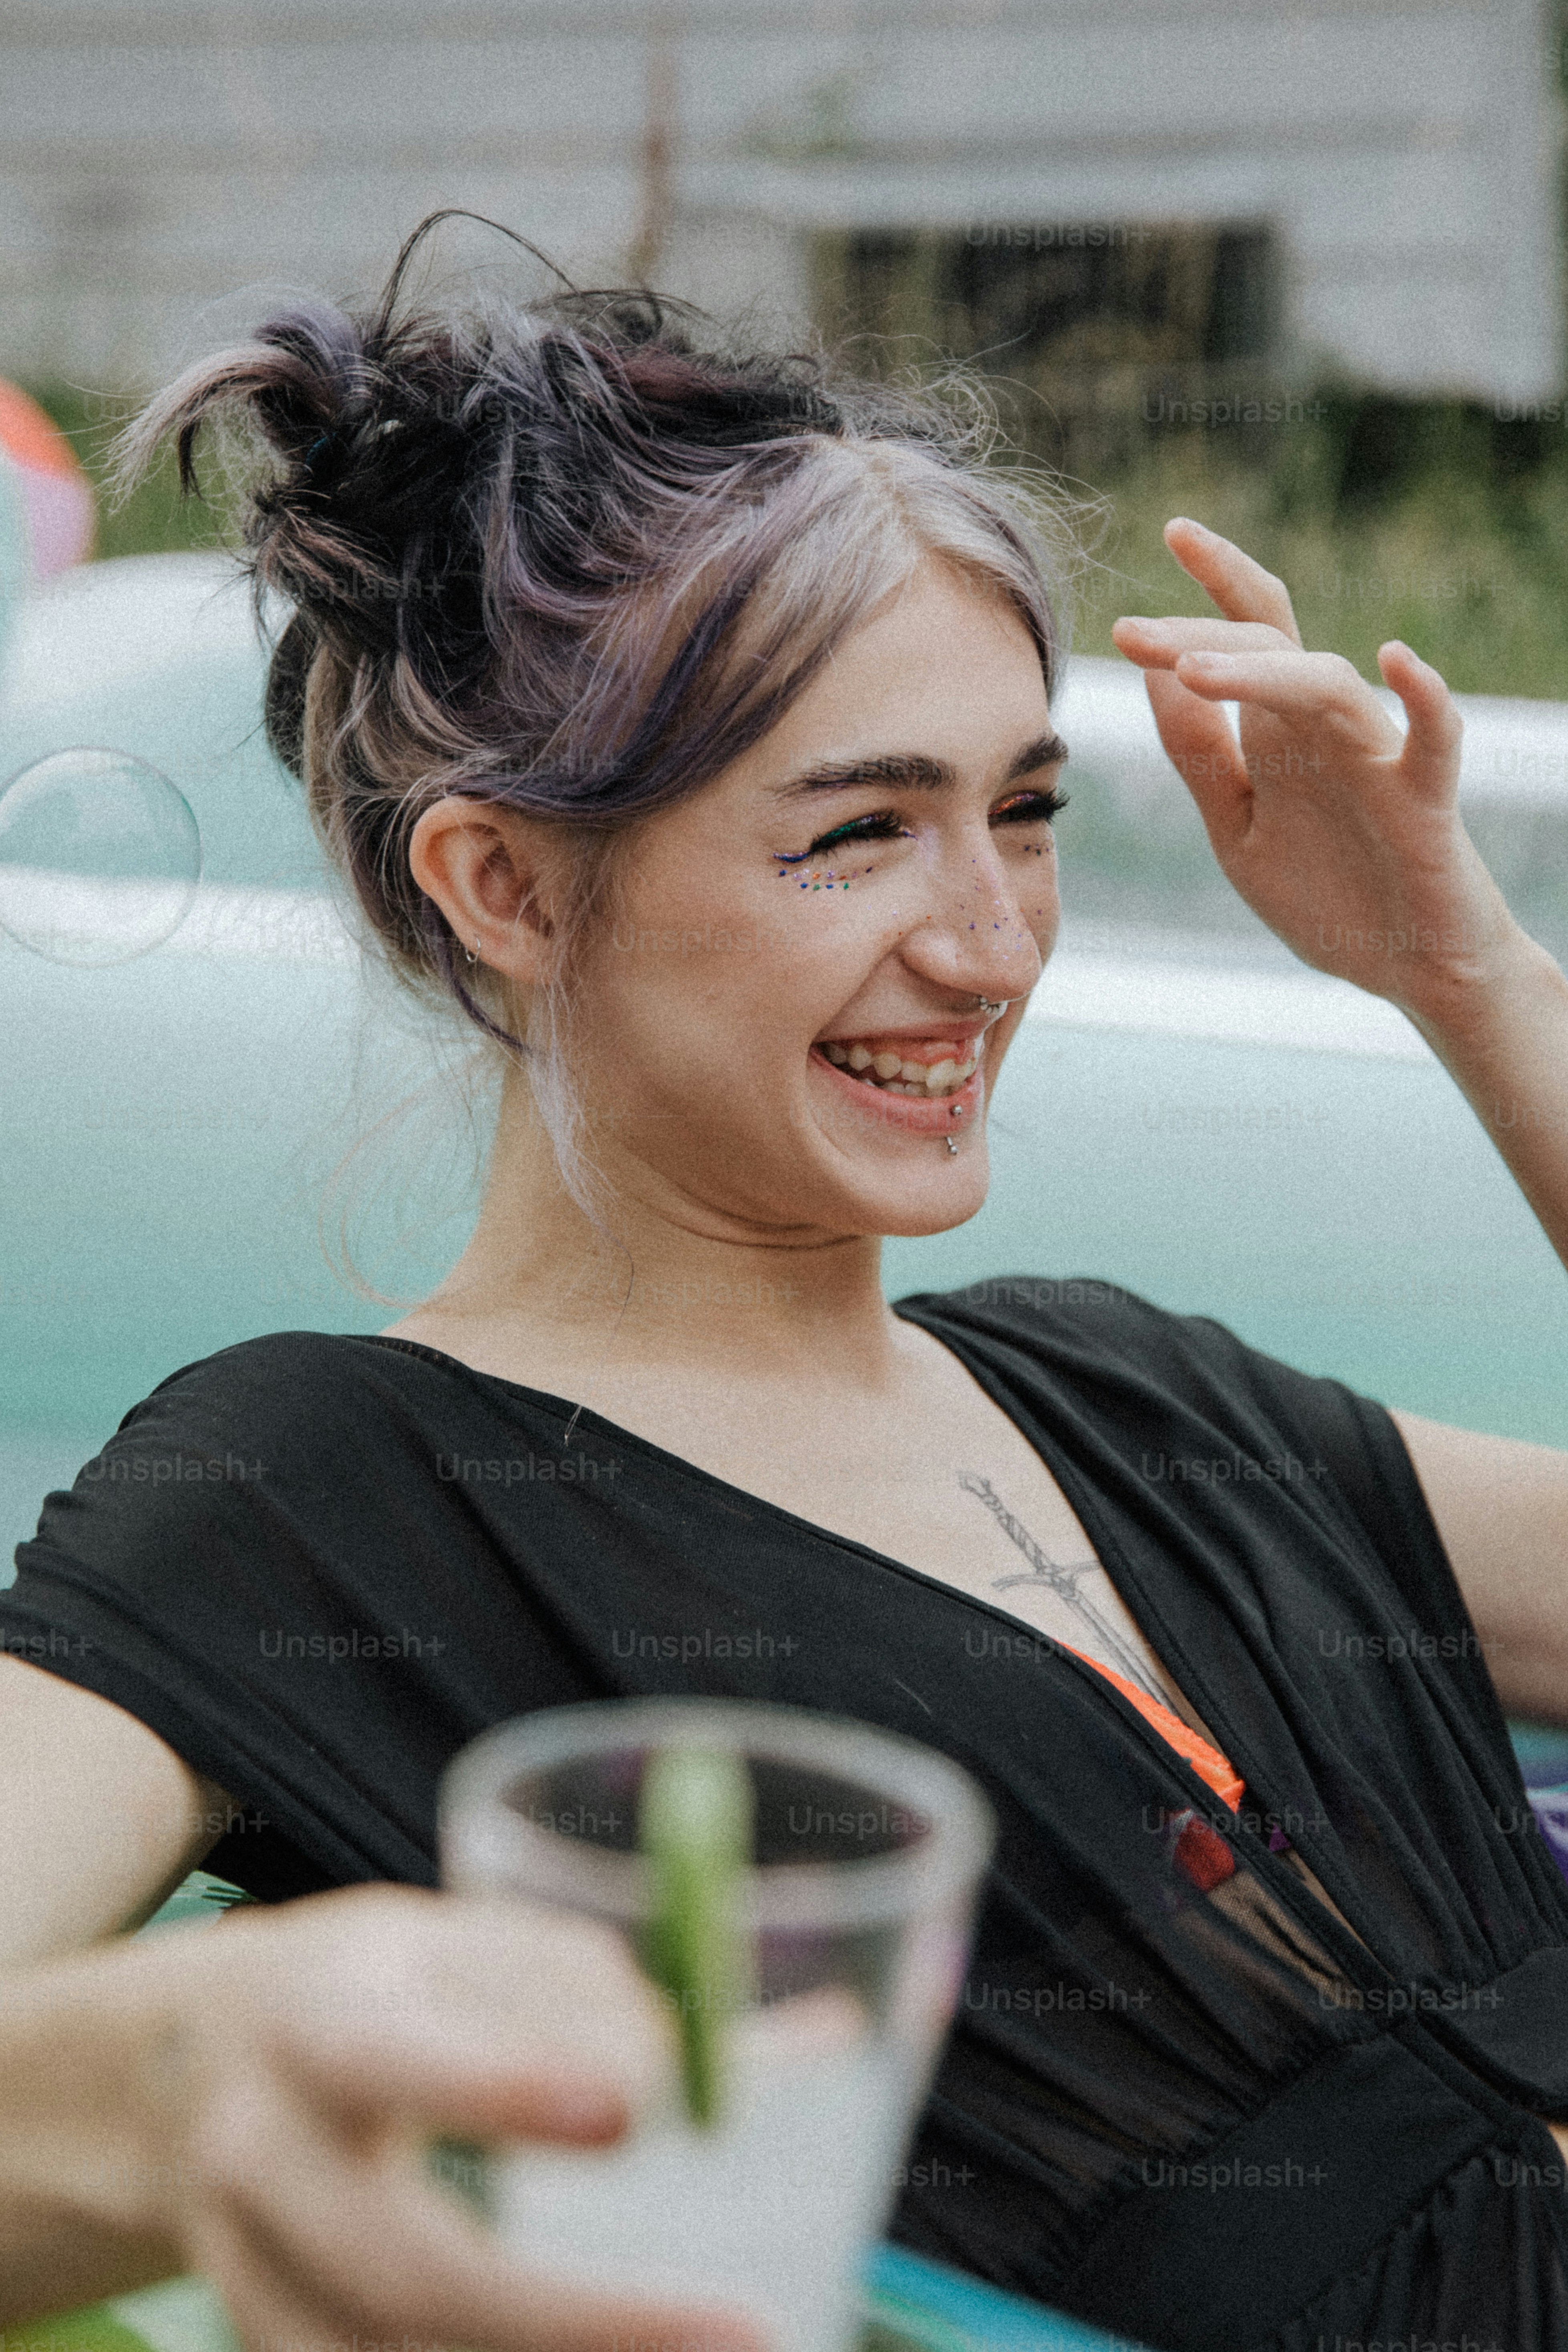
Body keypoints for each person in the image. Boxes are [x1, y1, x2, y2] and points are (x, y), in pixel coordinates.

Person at [3, 218, 1567, 2352]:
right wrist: (180, 2069)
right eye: (860, 833)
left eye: (1021, 811)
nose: (995, 943)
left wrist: (1462, 972)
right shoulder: (325, 1495)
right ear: (506, 886)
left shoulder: (1135, 1394)